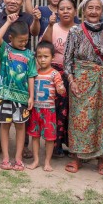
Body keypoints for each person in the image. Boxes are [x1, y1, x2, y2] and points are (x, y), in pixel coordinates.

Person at [62, 0, 103, 176]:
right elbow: (67, 60)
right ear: (84, 11)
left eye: (97, 8)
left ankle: (101, 158)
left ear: (102, 11)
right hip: (80, 81)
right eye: (90, 8)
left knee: (102, 120)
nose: (94, 11)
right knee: (79, 119)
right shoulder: (75, 31)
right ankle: (76, 156)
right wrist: (71, 81)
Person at [0, 0, 40, 158]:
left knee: (22, 113)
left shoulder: (28, 18)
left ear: (23, 0)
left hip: (22, 72)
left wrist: (36, 19)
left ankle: (22, 146)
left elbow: (36, 32)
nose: (13, 1)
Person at [0, 15, 36, 171]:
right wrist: (9, 22)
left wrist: (31, 96)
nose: (24, 43)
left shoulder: (30, 55)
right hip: (4, 95)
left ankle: (18, 158)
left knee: (20, 127)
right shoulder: (5, 50)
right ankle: (5, 158)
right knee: (4, 126)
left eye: (26, 40)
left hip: (22, 97)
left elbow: (31, 76)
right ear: (11, 38)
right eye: (20, 41)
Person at [42, 0, 77, 157]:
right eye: (62, 8)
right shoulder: (53, 27)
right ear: (57, 11)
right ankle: (55, 145)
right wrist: (49, 25)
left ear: (75, 11)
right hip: (54, 75)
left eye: (69, 8)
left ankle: (73, 145)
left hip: (75, 76)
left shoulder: (80, 29)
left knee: (72, 110)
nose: (65, 11)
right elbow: (45, 47)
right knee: (55, 110)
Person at [28, 41, 65, 171]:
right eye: (39, 56)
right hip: (36, 110)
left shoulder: (55, 73)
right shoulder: (34, 73)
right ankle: (36, 160)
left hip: (49, 110)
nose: (42, 59)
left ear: (52, 57)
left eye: (46, 56)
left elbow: (61, 89)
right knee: (35, 136)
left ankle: (47, 162)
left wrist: (61, 88)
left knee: (50, 138)